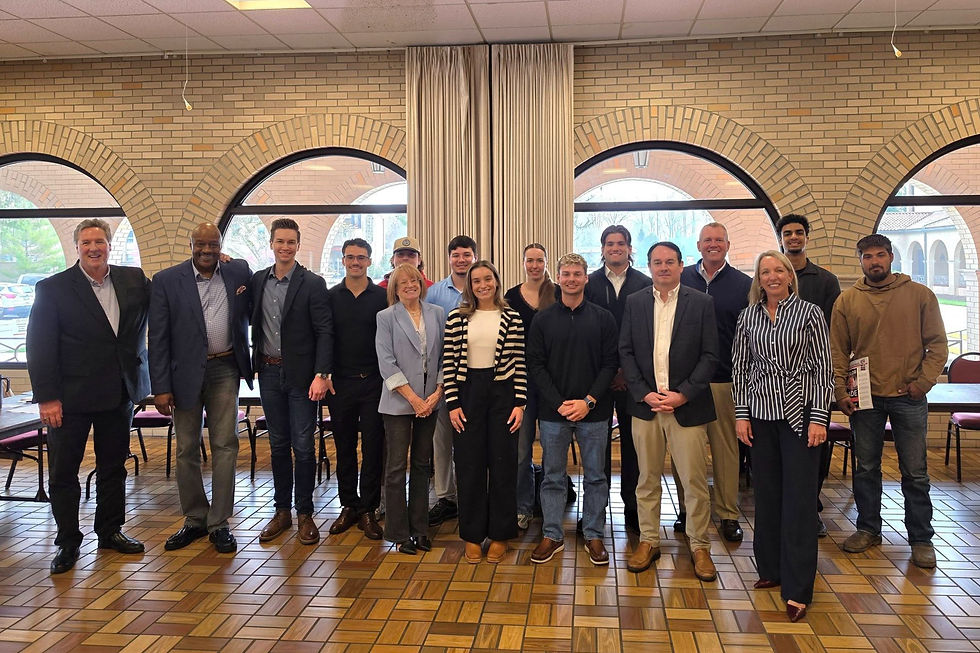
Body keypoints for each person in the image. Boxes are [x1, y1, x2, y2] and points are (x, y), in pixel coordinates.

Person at [27, 219, 151, 574]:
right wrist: (47, 398)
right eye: (86, 242)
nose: (93, 248)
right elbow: (39, 346)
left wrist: (224, 261)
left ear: (110, 245)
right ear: (77, 247)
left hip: (119, 392)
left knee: (113, 467)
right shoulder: (53, 288)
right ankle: (67, 541)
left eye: (99, 241)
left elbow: (172, 292)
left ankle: (110, 531)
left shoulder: (133, 280)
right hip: (70, 398)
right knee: (64, 472)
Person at [830, 234, 947, 570]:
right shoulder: (848, 301)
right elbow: (838, 351)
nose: (874, 262)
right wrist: (841, 392)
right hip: (865, 398)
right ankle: (868, 529)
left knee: (915, 472)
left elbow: (937, 345)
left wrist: (923, 382)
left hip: (908, 397)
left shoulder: (919, 295)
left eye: (880, 255)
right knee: (866, 468)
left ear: (891, 257)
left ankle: (921, 538)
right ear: (860, 261)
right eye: (867, 257)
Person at [733, 250, 833, 623]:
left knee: (799, 502)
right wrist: (741, 415)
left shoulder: (809, 313)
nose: (772, 277)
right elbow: (741, 367)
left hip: (801, 415)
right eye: (764, 272)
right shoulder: (748, 316)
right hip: (760, 415)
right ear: (758, 280)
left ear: (790, 276)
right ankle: (771, 569)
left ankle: (798, 587)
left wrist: (819, 418)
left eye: (778, 270)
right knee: (768, 496)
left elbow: (823, 370)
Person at [150, 222, 253, 554]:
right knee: (186, 448)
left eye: (213, 244)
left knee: (226, 444)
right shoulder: (167, 280)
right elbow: (158, 338)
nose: (207, 251)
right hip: (184, 374)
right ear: (190, 243)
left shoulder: (238, 272)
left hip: (225, 367)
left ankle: (219, 523)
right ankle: (195, 518)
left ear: (221, 245)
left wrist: (231, 259)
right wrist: (160, 387)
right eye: (201, 244)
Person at [619, 242, 719, 580]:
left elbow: (710, 356)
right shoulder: (635, 303)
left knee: (693, 481)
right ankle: (648, 539)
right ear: (648, 266)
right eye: (657, 262)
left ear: (681, 266)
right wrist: (644, 394)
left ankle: (699, 544)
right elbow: (626, 352)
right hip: (646, 407)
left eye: (670, 262)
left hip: (686, 408)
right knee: (646, 479)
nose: (663, 267)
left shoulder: (702, 303)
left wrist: (682, 395)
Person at [527, 253, 618, 566]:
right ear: (559, 278)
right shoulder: (543, 319)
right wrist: (558, 403)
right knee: (552, 477)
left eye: (577, 274)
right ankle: (552, 533)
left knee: (596, 476)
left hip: (595, 411)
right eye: (566, 274)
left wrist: (588, 401)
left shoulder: (604, 318)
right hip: (554, 415)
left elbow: (610, 364)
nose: (571, 279)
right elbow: (535, 365)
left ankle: (593, 532)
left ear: (586, 278)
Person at [250, 218, 332, 546]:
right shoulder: (258, 281)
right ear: (271, 244)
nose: (285, 247)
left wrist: (322, 374)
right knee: (278, 445)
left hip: (302, 378)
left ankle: (305, 513)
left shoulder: (312, 283)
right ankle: (281, 511)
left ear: (298, 245)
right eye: (279, 241)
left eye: (291, 242)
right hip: (268, 373)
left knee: (303, 446)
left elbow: (325, 330)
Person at [443, 261, 527, 563]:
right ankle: (473, 534)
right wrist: (453, 404)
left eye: (487, 279)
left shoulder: (512, 317)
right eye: (476, 280)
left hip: (503, 394)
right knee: (469, 466)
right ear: (470, 285)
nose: (482, 285)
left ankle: (501, 533)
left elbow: (519, 364)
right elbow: (449, 364)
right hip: (467, 395)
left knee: (504, 466)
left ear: (496, 281)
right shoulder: (456, 317)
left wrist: (520, 404)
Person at [678, 222, 750, 542]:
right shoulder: (681, 280)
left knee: (725, 451)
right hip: (688, 384)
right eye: (708, 240)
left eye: (719, 240)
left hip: (724, 381)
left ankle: (728, 514)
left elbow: (749, 336)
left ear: (728, 245)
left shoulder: (744, 285)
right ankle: (688, 510)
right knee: (687, 452)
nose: (713, 244)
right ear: (698, 245)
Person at [583, 225, 652, 535]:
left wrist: (626, 372)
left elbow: (647, 334)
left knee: (633, 447)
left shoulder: (645, 284)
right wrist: (607, 374)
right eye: (609, 243)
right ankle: (595, 511)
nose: (615, 248)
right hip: (597, 379)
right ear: (602, 248)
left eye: (620, 243)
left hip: (634, 378)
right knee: (595, 448)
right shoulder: (590, 283)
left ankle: (633, 507)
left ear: (629, 247)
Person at [777, 213, 841, 537]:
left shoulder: (826, 281)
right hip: (775, 385)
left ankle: (811, 507)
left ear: (806, 237)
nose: (793, 238)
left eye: (798, 232)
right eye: (787, 233)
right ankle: (783, 508)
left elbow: (833, 332)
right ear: (781, 238)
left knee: (815, 446)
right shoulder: (772, 277)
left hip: (813, 380)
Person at [375, 264, 445, 554]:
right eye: (402, 282)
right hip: (399, 402)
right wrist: (414, 398)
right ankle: (397, 532)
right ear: (394, 287)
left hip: (431, 401)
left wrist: (437, 392)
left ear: (421, 283)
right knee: (394, 468)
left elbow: (444, 356)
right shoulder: (386, 317)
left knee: (421, 465)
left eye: (413, 280)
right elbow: (386, 361)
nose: (409, 285)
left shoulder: (437, 314)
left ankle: (420, 529)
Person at [326, 238, 389, 539]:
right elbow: (324, 337)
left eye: (361, 257)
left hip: (375, 382)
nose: (355, 262)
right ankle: (348, 505)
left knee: (374, 448)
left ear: (369, 261)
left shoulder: (381, 296)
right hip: (340, 384)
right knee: (345, 447)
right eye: (350, 257)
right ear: (343, 260)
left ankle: (368, 509)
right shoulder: (331, 296)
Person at [425, 235, 478, 527]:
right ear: (449, 258)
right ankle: (447, 497)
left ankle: (472, 492)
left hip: (478, 378)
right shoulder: (433, 293)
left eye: (466, 254)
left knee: (472, 439)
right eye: (456, 255)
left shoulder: (483, 288)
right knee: (442, 439)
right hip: (443, 378)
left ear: (474, 257)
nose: (461, 259)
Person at [504, 243, 556, 529]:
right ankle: (522, 507)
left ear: (546, 262)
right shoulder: (511, 296)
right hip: (519, 385)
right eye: (530, 260)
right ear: (523, 263)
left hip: (551, 385)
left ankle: (549, 507)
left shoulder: (558, 293)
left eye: (540, 260)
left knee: (552, 450)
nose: (535, 265)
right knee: (521, 451)